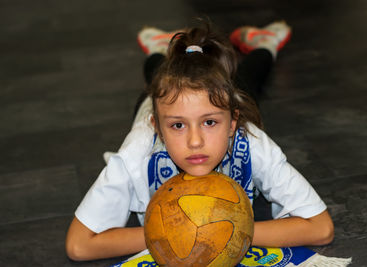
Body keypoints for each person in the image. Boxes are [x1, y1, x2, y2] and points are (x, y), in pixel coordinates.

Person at [65, 20, 334, 261]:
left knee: (247, 78)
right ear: (157, 128)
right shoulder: (137, 151)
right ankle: (159, 50)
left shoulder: (251, 141)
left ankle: (266, 44)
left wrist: (228, 230)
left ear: (232, 123)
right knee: (158, 78)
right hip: (154, 105)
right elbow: (79, 245)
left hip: (230, 96)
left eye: (210, 122)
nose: (195, 141)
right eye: (178, 125)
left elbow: (321, 228)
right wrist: (173, 233)